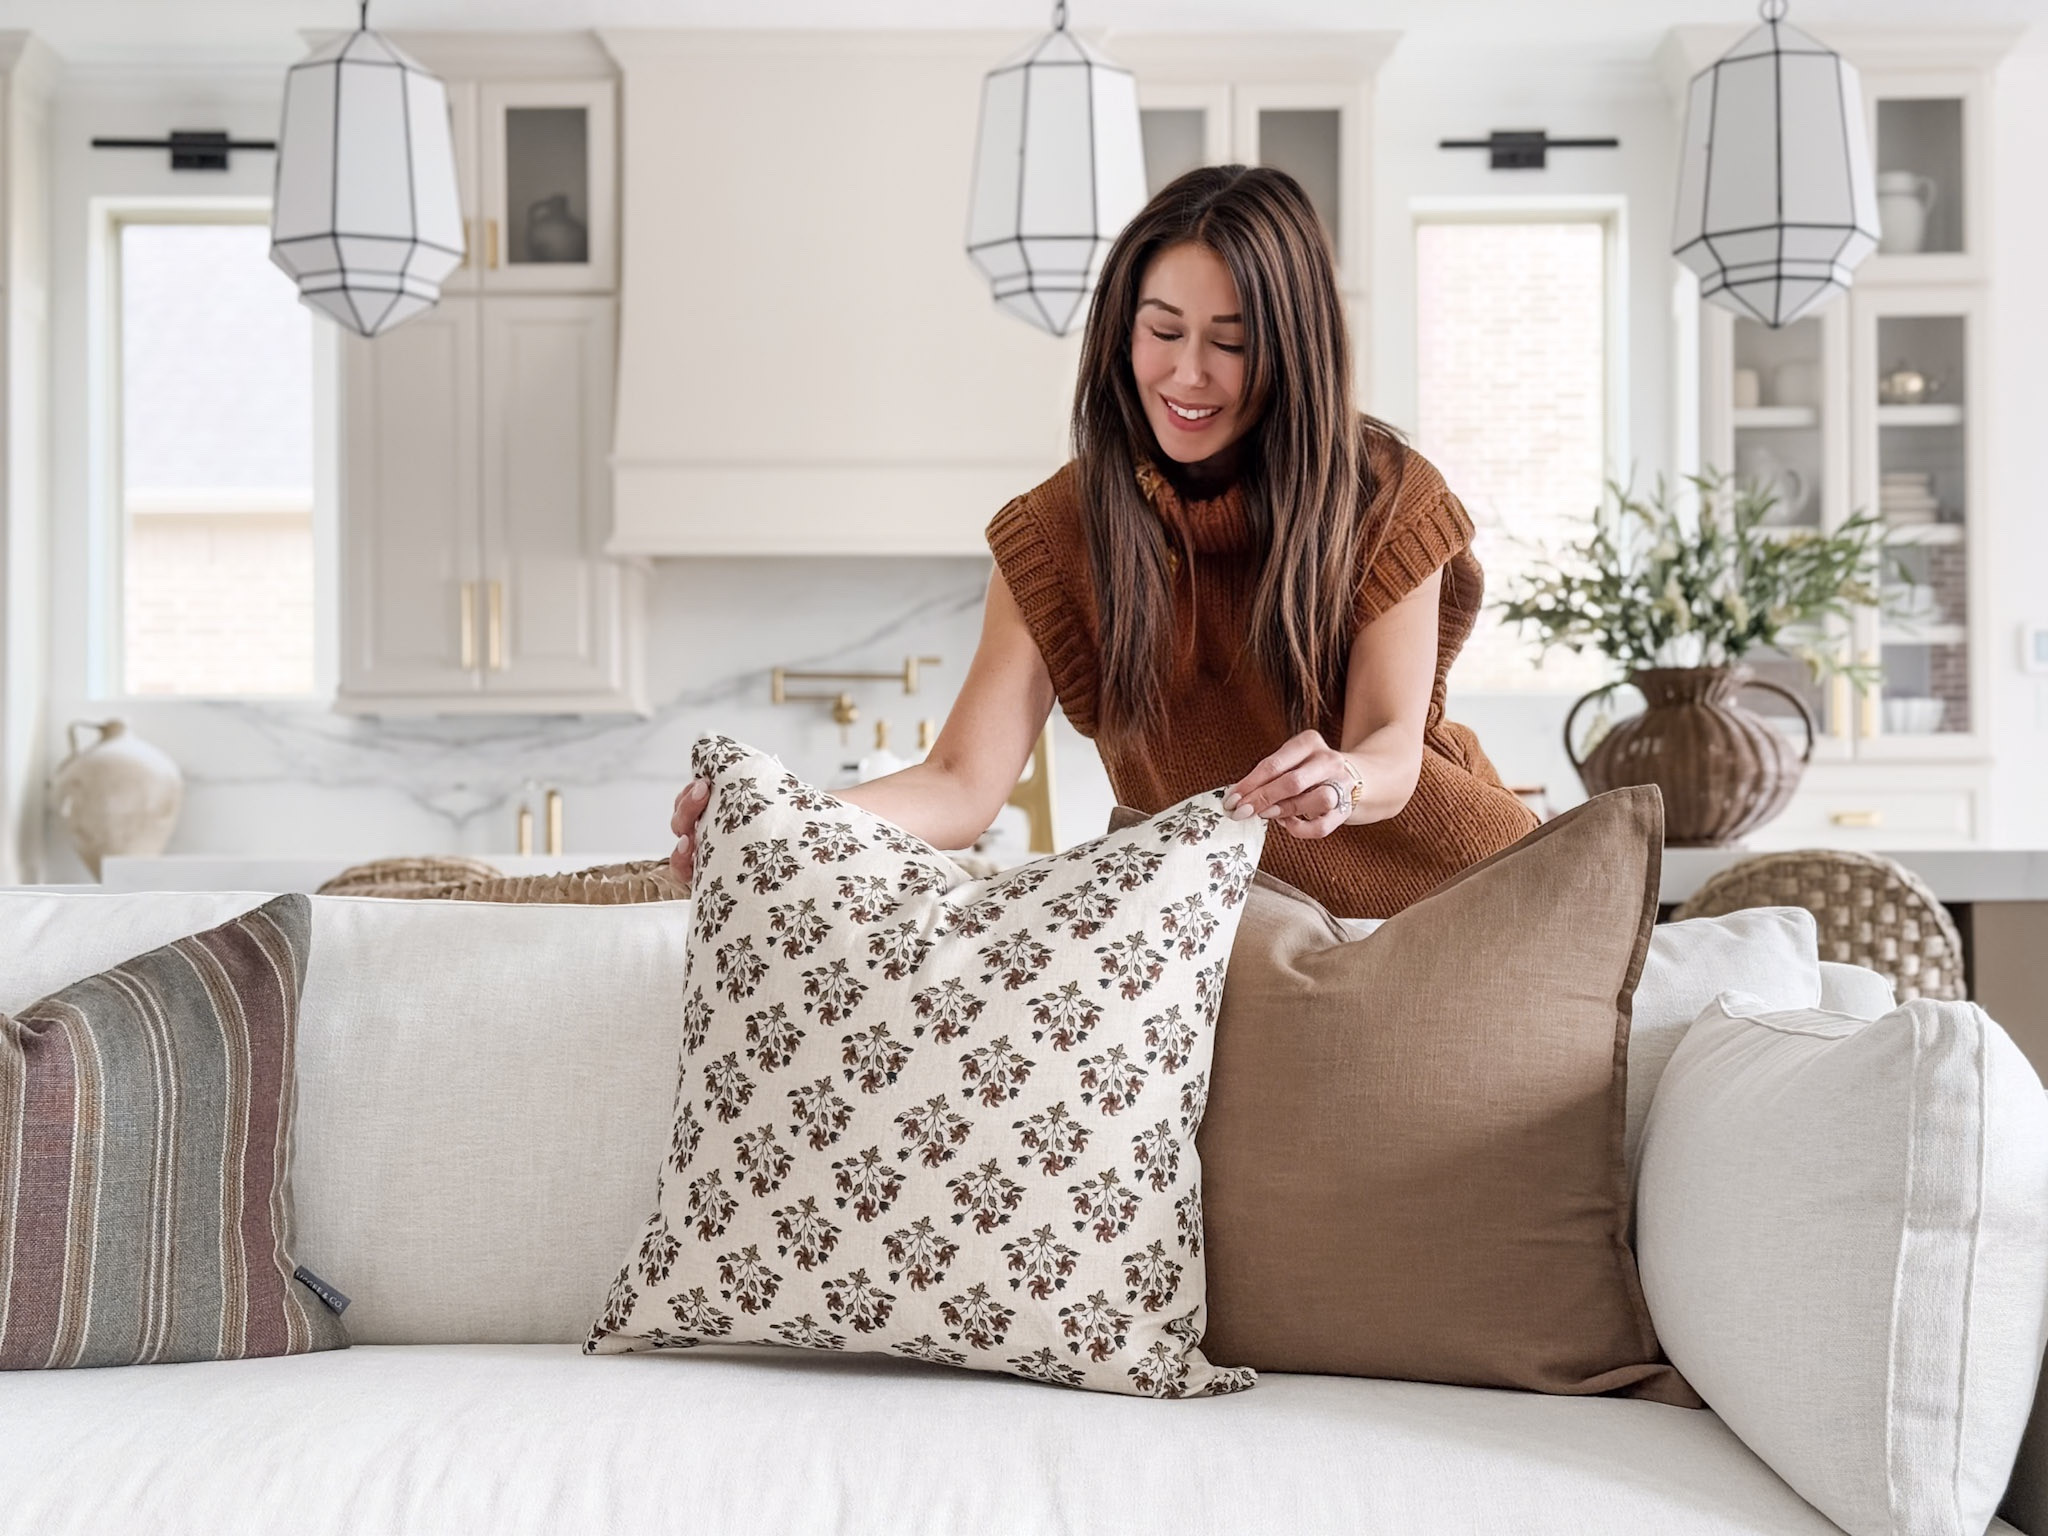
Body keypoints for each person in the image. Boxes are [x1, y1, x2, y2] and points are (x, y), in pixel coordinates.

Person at [671, 165, 1535, 920]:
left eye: (1230, 343)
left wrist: (1341, 777)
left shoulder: (1381, 495)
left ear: (1294, 352)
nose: (1187, 374)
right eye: (1162, 332)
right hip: (1244, 934)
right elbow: (960, 786)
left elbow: (1390, 749)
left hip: (1460, 900)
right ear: (1122, 334)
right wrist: (772, 821)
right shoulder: (1058, 536)